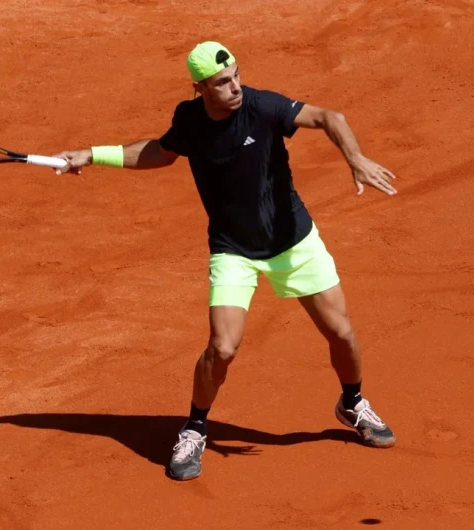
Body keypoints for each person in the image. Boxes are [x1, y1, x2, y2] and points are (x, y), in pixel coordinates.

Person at [51, 41, 398, 481]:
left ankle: (352, 403)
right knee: (222, 348)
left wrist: (356, 158)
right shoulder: (190, 120)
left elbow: (331, 117)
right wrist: (92, 154)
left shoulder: (264, 107)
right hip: (233, 249)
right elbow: (161, 150)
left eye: (236, 75)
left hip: (294, 241)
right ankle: (195, 427)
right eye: (222, 82)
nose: (235, 86)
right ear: (200, 88)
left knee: (342, 334)